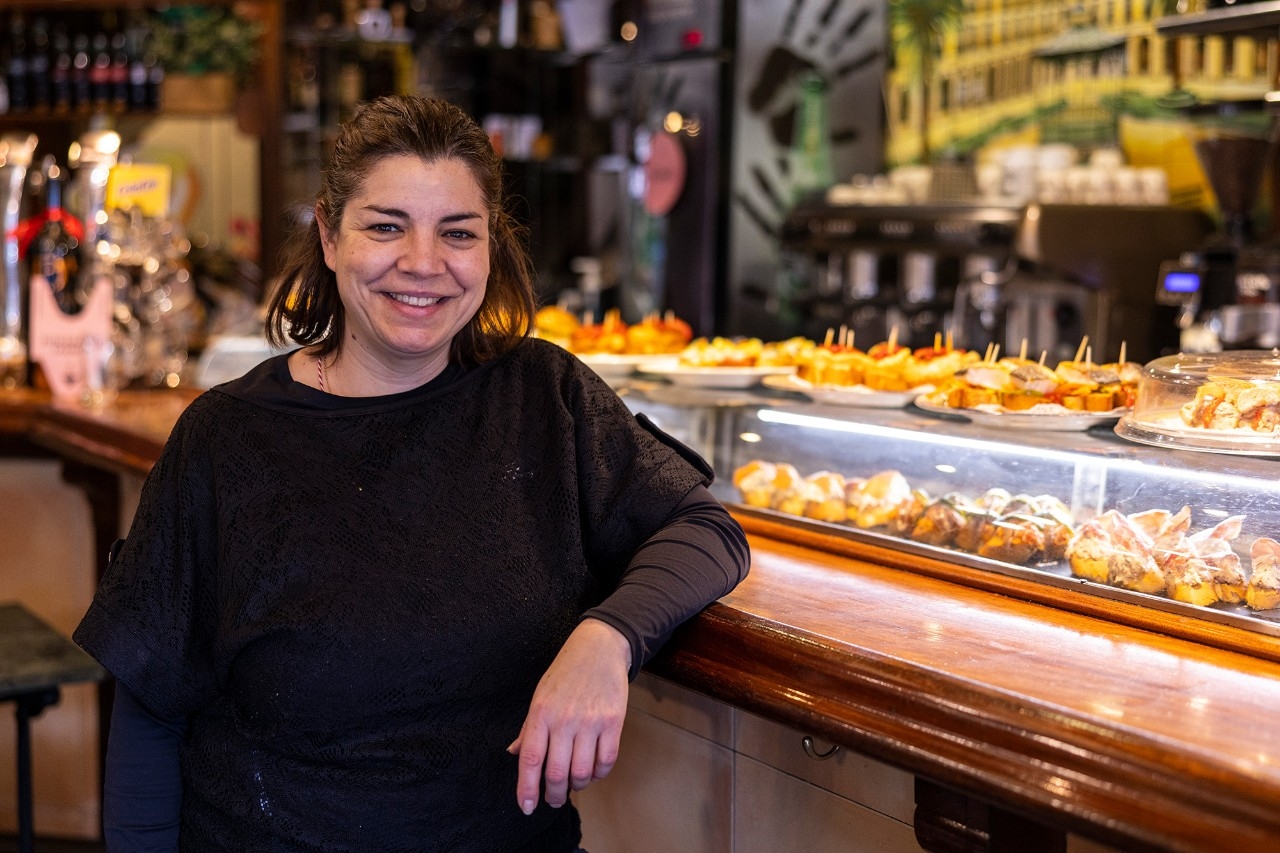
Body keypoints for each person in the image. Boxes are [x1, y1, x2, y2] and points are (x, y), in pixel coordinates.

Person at [73, 94, 749, 852]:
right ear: (328, 236)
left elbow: (705, 528)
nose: (424, 264)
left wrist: (607, 637)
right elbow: (150, 710)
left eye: (457, 232)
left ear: (491, 247)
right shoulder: (226, 437)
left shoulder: (543, 396)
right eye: (385, 226)